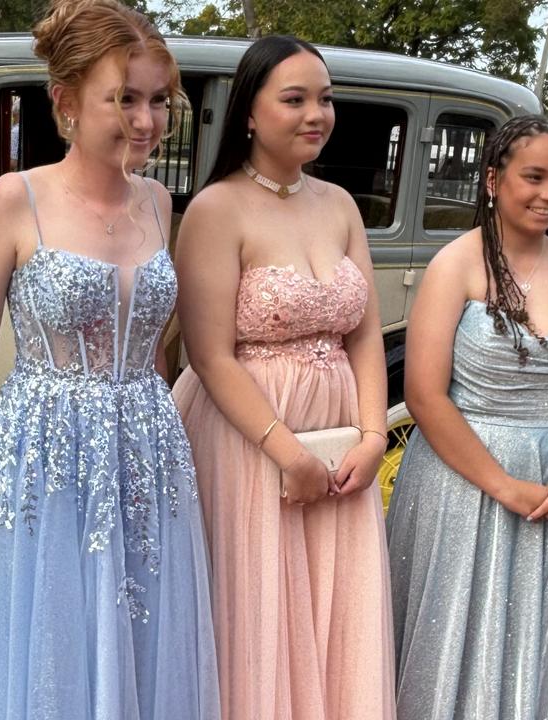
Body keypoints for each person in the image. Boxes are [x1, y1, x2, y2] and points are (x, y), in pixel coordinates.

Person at [0, 1, 219, 717]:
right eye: (123, 99)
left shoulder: (160, 203)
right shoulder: (17, 200)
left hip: (146, 453)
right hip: (41, 450)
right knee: (39, 636)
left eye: (158, 100)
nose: (147, 120)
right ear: (66, 102)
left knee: (140, 632)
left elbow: (158, 349)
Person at [172, 35, 396, 720]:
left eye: (324, 99)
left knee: (334, 605)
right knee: (258, 606)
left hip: (339, 442)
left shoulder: (340, 205)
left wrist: (371, 435)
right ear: (249, 111)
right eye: (294, 98)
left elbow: (364, 334)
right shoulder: (217, 209)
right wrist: (286, 452)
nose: (315, 114)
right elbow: (208, 355)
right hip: (250, 437)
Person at [386, 115, 548, 720]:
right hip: (465, 483)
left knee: (537, 634)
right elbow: (425, 395)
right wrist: (503, 485)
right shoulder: (455, 265)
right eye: (533, 176)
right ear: (493, 179)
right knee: (457, 631)